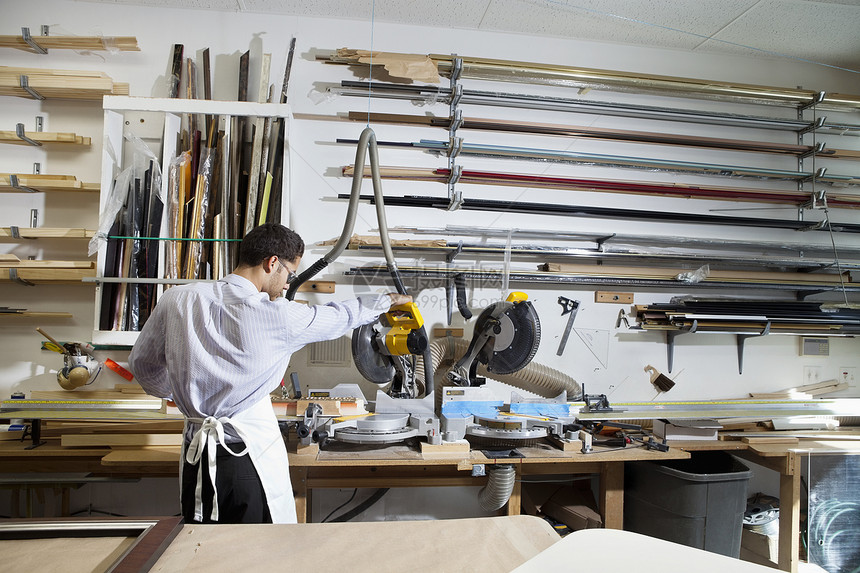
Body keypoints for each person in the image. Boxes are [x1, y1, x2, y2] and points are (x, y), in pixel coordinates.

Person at [128, 223, 410, 524]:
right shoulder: (278, 317)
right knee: (255, 555)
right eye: (289, 273)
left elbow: (142, 367)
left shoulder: (177, 300)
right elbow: (339, 317)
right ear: (272, 262)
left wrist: (186, 395)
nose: (288, 284)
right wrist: (387, 302)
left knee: (200, 551)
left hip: (195, 454)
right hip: (246, 461)